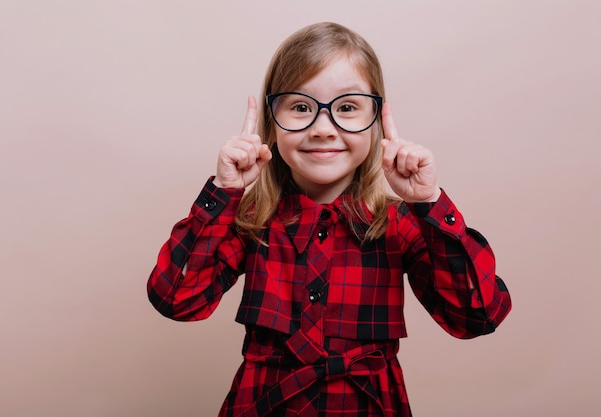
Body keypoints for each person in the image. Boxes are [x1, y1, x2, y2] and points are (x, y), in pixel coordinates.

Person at [147, 21, 511, 417]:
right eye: (301, 107)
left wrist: (429, 203)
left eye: (347, 108)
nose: (323, 129)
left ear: (376, 119)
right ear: (272, 121)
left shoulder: (399, 222)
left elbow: (479, 314)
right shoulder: (252, 219)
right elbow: (175, 298)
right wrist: (223, 191)